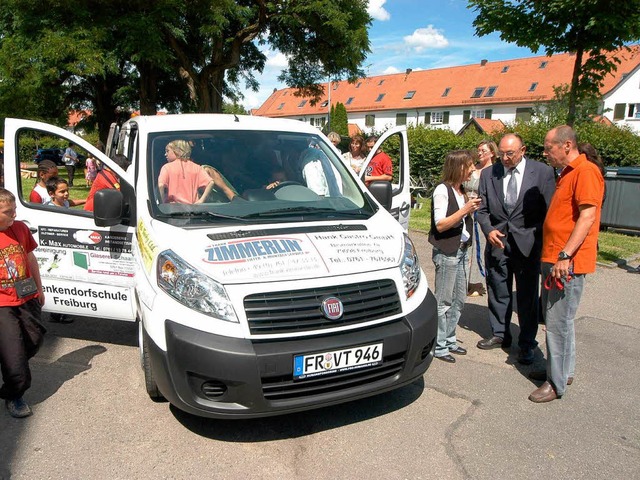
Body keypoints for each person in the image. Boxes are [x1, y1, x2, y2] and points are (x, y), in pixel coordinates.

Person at [528, 126, 605, 403]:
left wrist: (565, 255)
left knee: (557, 323)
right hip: (554, 258)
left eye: (549, 148)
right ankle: (561, 371)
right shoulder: (567, 173)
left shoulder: (585, 172)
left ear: (567, 145)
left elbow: (587, 216)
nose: (545, 153)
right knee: (559, 320)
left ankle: (555, 383)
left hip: (565, 262)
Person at [475, 133, 556, 365]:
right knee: (498, 289)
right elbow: (481, 210)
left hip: (528, 244)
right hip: (497, 242)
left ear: (523, 150)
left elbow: (550, 210)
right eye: (501, 153)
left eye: (510, 153)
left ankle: (527, 343)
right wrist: (488, 230)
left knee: (527, 296)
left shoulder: (542, 172)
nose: (505, 158)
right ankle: (500, 333)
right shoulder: (490, 173)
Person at [429, 150, 481, 363]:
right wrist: (465, 210)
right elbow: (440, 225)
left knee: (459, 299)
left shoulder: (462, 191)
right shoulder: (442, 190)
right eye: (469, 165)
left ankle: (449, 339)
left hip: (462, 250)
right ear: (457, 167)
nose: (472, 170)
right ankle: (439, 345)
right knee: (444, 301)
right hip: (447, 251)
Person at [0, 188, 46, 418]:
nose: (14, 216)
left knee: (35, 339)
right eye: (8, 212)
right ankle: (13, 394)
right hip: (2, 304)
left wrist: (39, 287)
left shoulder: (20, 229)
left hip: (26, 295)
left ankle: (10, 360)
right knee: (15, 359)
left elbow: (30, 257)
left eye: (15, 210)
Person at [464, 140, 498, 297]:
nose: (480, 153)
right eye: (478, 150)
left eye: (483, 150)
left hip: (481, 212)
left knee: (479, 246)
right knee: (467, 245)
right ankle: (466, 282)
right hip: (466, 210)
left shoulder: (495, 171)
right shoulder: (473, 168)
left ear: (492, 153)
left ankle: (477, 284)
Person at [157, 140, 215, 204]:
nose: (165, 154)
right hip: (193, 209)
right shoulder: (196, 167)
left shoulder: (166, 167)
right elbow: (211, 182)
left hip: (172, 209)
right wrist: (201, 200)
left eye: (167, 151)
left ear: (177, 151)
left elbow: (161, 185)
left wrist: (162, 204)